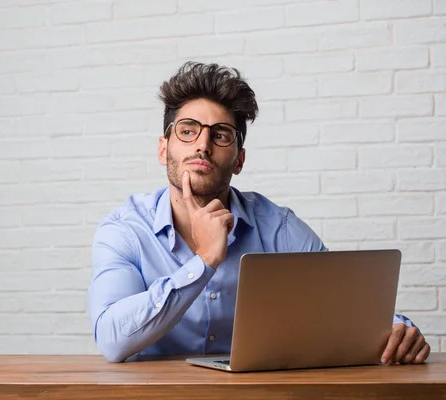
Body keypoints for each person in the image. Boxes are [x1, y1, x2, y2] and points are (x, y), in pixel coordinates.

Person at [87, 61, 431, 364]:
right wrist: (204, 261)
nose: (202, 145)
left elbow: (345, 303)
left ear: (239, 159)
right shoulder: (126, 230)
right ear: (164, 149)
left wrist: (401, 328)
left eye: (220, 135)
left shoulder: (276, 227)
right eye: (188, 130)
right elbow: (113, 341)